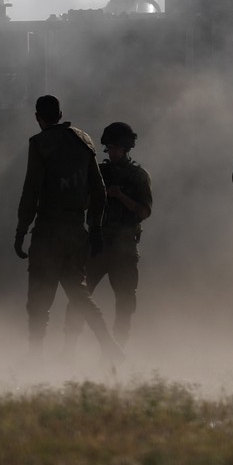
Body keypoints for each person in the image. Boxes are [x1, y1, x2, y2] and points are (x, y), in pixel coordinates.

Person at [14, 95, 124, 364]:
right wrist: (95, 228)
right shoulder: (83, 140)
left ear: (38, 116)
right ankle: (109, 346)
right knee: (79, 293)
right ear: (61, 114)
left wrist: (21, 230)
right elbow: (99, 191)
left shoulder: (39, 143)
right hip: (76, 230)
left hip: (48, 230)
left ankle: (35, 354)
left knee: (39, 296)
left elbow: (31, 190)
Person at [62, 122, 152, 353]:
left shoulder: (138, 176)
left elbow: (144, 212)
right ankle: (69, 347)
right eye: (109, 148)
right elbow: (80, 203)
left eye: (116, 148)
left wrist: (119, 196)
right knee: (80, 296)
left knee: (125, 302)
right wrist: (97, 194)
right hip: (97, 244)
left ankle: (117, 349)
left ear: (126, 149)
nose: (112, 152)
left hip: (124, 248)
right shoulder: (98, 173)